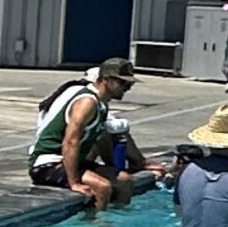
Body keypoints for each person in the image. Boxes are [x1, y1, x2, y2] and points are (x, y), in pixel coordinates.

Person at [26, 58, 156, 208]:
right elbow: (70, 142)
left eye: (130, 84)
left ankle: (118, 222)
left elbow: (103, 140)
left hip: (74, 162)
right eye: (123, 83)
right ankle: (95, 226)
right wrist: (73, 182)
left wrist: (120, 167)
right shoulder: (87, 102)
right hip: (47, 164)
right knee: (102, 187)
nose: (127, 88)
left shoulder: (102, 105)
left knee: (124, 181)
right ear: (104, 80)